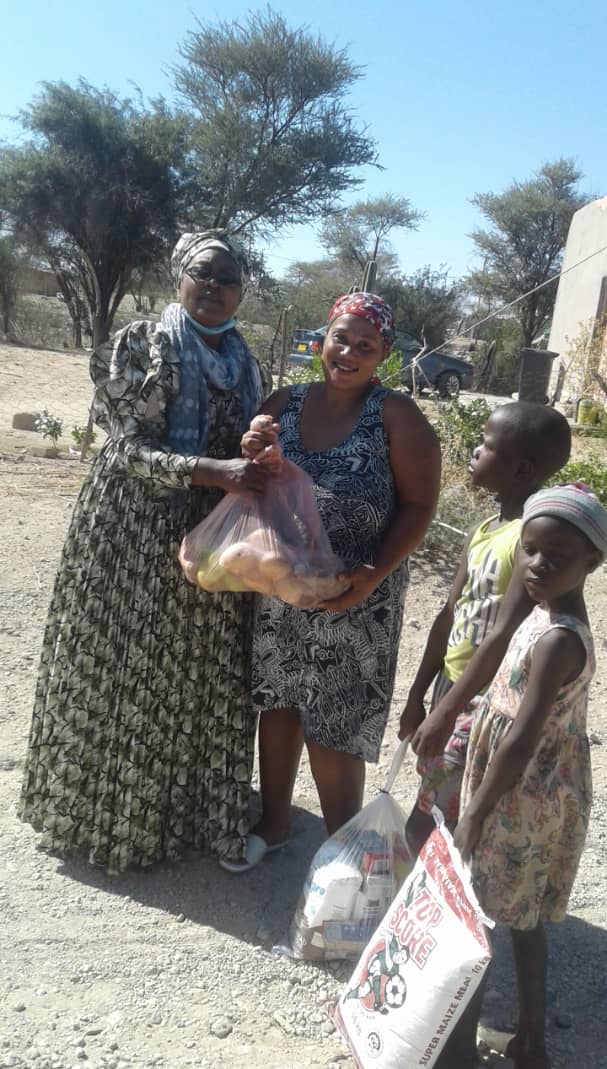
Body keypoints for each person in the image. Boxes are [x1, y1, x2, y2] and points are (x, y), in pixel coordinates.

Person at [19, 229, 270, 875]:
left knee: (197, 672)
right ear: (179, 275)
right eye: (203, 273)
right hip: (132, 529)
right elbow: (124, 447)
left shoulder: (247, 363)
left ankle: (185, 816)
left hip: (212, 534)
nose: (214, 287)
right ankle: (110, 819)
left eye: (228, 279)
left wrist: (254, 457)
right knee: (127, 669)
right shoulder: (142, 344)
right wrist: (210, 470)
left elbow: (245, 447)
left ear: (242, 293)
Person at [221, 292, 441, 871]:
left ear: (383, 354)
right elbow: (256, 482)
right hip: (284, 588)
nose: (349, 352)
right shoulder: (284, 403)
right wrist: (253, 452)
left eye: (365, 345)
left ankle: (343, 853)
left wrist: (372, 575)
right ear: (323, 340)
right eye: (341, 338)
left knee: (336, 721)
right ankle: (274, 823)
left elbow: (420, 506)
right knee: (278, 703)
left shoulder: (395, 415)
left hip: (356, 595)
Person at [453, 482, 606, 1069]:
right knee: (521, 916)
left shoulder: (560, 639)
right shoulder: (543, 608)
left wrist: (474, 812)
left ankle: (466, 1051)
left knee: (490, 914)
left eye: (556, 557)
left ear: (592, 562)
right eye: (530, 549)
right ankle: (530, 1042)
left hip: (522, 793)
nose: (537, 565)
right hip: (517, 783)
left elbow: (520, 739)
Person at [399, 403, 572, 855]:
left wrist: (446, 711)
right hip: (452, 686)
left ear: (521, 469)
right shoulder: (485, 529)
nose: (476, 451)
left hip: (484, 702)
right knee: (435, 804)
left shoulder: (529, 541)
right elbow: (449, 613)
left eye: (487, 445)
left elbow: (502, 633)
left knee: (428, 825)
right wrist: (419, 696)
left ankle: (434, 895)